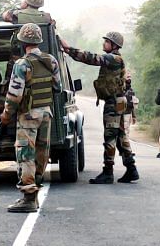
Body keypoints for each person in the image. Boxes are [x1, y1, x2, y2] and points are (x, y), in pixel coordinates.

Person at [59, 31, 140, 184]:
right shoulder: (115, 58)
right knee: (121, 136)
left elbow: (91, 58)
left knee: (110, 137)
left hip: (113, 103)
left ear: (114, 45)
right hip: (118, 101)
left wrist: (69, 49)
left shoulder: (112, 58)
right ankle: (131, 169)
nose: (104, 43)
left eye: (107, 41)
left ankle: (108, 172)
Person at [0, 23, 61, 212]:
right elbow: (57, 88)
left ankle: (28, 197)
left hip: (28, 115)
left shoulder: (21, 64)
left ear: (22, 41)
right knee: (42, 154)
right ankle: (35, 193)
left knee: (25, 154)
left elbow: (14, 95)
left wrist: (6, 115)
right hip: (46, 114)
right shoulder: (51, 60)